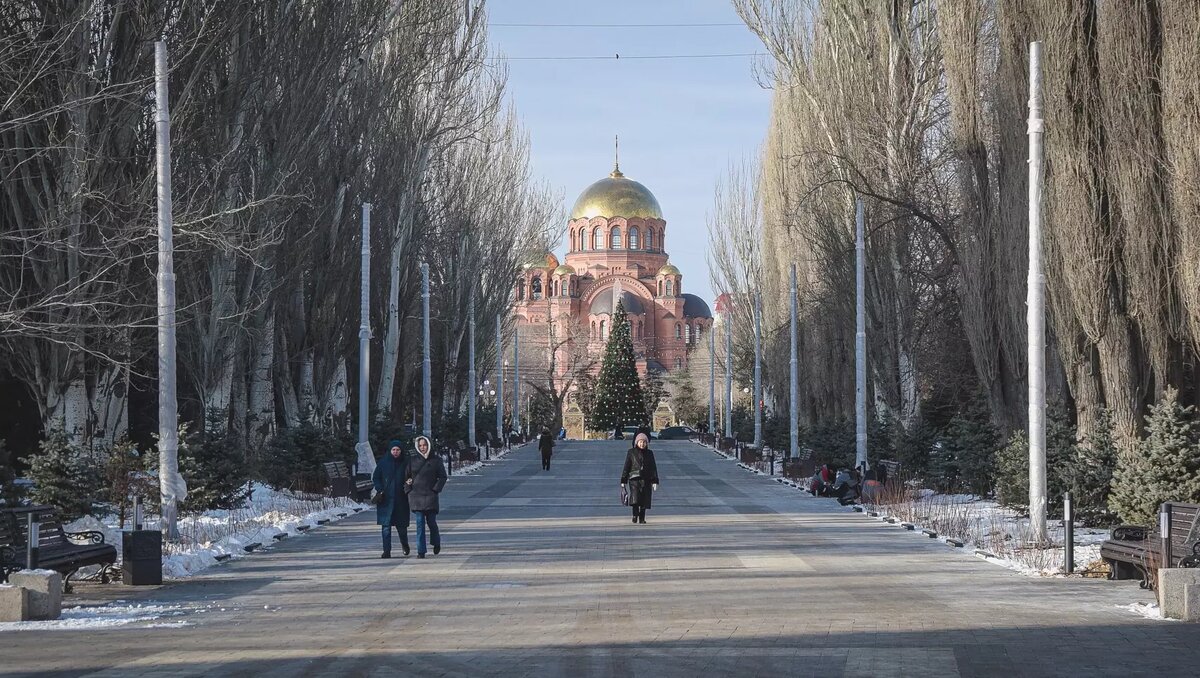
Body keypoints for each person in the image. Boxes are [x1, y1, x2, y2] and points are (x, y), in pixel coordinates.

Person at [405, 435, 447, 559]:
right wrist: (408, 488)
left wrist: (435, 489)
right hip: (416, 496)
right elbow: (406, 476)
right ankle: (421, 550)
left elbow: (443, 477)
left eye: (424, 445)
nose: (422, 447)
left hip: (430, 496)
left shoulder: (436, 460)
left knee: (432, 523)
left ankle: (436, 542)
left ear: (429, 445)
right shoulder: (412, 460)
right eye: (420, 445)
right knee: (419, 524)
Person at [372, 440, 410, 558]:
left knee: (402, 527)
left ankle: (405, 545)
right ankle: (386, 551)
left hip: (401, 499)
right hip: (386, 499)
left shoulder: (406, 462)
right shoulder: (383, 463)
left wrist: (409, 483)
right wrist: (379, 488)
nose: (395, 452)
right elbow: (376, 477)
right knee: (386, 527)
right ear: (390, 451)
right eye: (393, 450)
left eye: (398, 450)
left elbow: (411, 475)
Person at [620, 432, 660, 524]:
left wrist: (655, 481)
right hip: (634, 479)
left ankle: (642, 518)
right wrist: (623, 479)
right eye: (640, 442)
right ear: (636, 442)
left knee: (644, 499)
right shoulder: (631, 452)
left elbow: (653, 467)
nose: (642, 444)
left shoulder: (650, 453)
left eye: (644, 442)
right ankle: (635, 515)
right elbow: (627, 466)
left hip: (646, 479)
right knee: (635, 498)